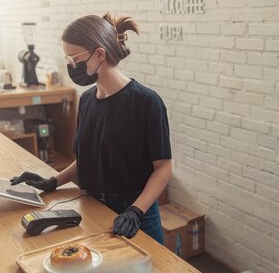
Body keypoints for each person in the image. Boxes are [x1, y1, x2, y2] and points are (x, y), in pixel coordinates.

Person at [10, 13, 171, 244]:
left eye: (73, 59)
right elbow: (87, 158)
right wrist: (53, 181)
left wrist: (135, 212)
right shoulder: (86, 100)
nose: (70, 66)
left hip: (136, 214)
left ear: (99, 54)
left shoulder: (146, 102)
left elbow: (163, 167)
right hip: (92, 205)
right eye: (68, 59)